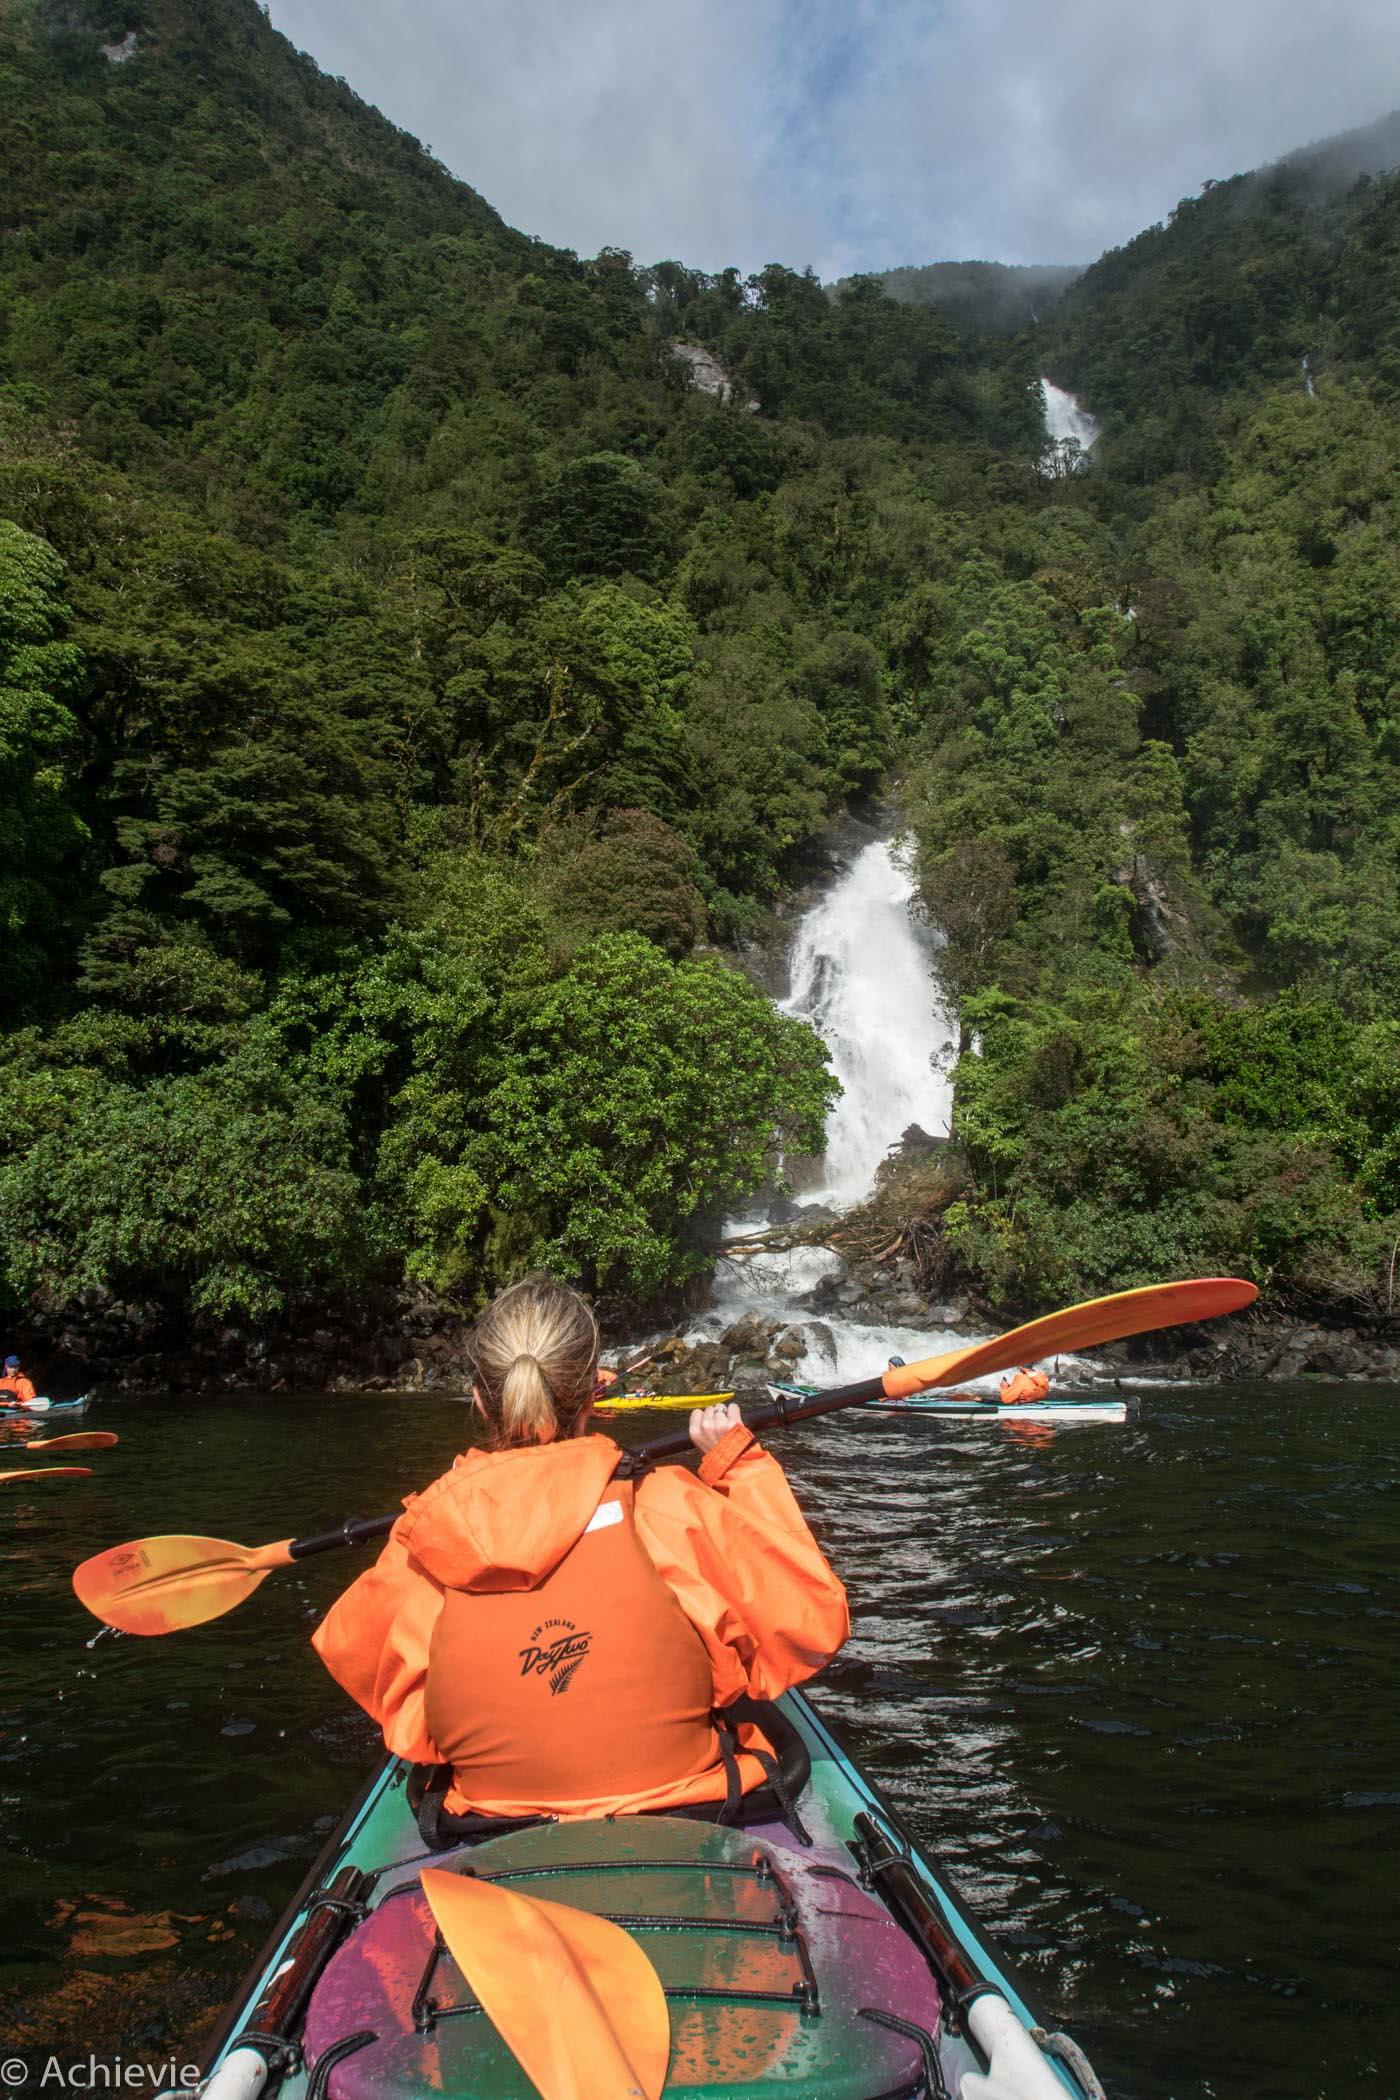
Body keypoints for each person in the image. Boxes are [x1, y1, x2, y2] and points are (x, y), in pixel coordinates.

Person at [312, 1278, 849, 1825]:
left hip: (490, 1823)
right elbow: (811, 1620)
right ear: (594, 1393)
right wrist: (740, 1464)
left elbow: (359, 1665)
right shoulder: (662, 1505)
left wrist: (456, 1497)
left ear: (479, 1398)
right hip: (691, 1805)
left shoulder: (426, 1538)